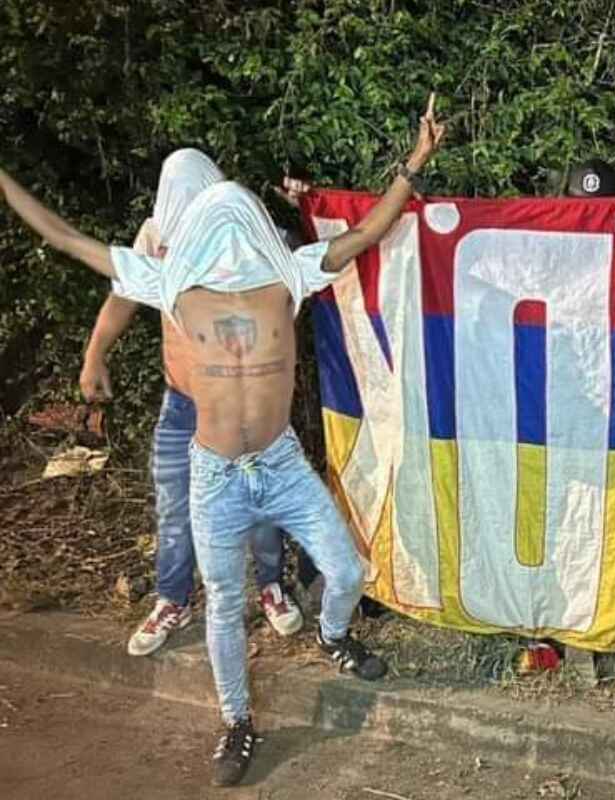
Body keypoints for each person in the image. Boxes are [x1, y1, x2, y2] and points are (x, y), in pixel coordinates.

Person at [0, 94, 445, 787]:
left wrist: (417, 162)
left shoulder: (291, 273)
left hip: (281, 466)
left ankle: (333, 635)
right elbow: (63, 236)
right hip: (214, 473)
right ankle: (237, 722)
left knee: (348, 572)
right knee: (224, 603)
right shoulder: (170, 281)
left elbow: (367, 234)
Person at [81, 149, 303, 656]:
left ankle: (270, 585)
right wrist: (94, 355)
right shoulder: (155, 236)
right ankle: (173, 599)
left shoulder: (243, 232)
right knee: (176, 507)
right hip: (182, 402)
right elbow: (122, 299)